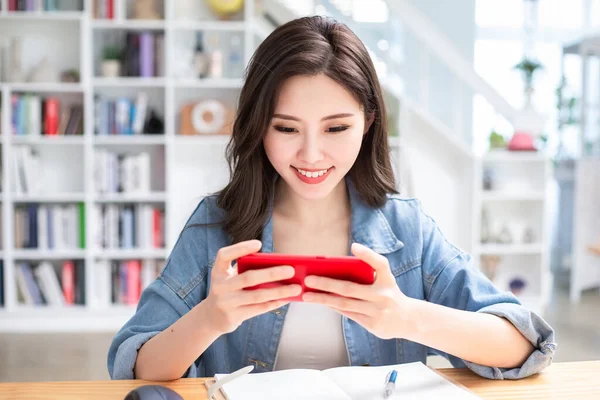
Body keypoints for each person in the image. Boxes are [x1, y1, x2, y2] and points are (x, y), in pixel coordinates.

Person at [107, 16, 556, 381]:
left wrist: (404, 316)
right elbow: (137, 366)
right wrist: (210, 318)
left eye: (336, 128)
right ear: (259, 126)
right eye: (286, 128)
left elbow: (523, 344)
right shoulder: (215, 225)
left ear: (369, 123)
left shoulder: (406, 231)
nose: (311, 155)